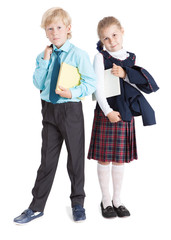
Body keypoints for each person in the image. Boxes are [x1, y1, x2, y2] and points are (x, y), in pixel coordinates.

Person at [14, 7, 96, 224]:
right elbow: (38, 84)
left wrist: (73, 92)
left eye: (59, 27)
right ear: (45, 32)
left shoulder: (78, 54)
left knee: (75, 159)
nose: (54, 32)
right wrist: (44, 60)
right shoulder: (44, 55)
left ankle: (78, 203)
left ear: (68, 29)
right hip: (49, 110)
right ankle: (36, 207)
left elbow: (90, 82)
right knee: (47, 161)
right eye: (50, 29)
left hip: (70, 110)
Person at [88, 16, 159, 218]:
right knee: (104, 159)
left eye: (114, 35)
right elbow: (98, 88)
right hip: (107, 113)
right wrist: (108, 111)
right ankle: (105, 200)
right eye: (106, 38)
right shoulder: (100, 57)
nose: (111, 41)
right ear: (101, 41)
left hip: (125, 112)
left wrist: (125, 75)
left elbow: (137, 86)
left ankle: (117, 200)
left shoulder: (131, 58)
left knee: (119, 160)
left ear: (122, 32)